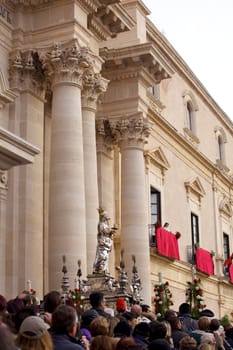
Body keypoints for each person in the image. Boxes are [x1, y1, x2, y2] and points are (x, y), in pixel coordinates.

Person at [93, 209, 116, 274]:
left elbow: (107, 232)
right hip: (103, 242)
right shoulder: (101, 224)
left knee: (106, 257)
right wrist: (110, 231)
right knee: (103, 256)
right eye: (106, 215)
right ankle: (100, 268)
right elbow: (102, 232)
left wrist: (111, 232)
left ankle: (103, 269)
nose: (107, 217)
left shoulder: (105, 224)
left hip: (106, 242)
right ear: (104, 217)